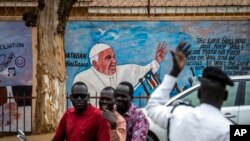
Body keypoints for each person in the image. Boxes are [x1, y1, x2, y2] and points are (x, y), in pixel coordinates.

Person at [146, 42, 234, 141]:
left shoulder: (178, 114)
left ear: (199, 93)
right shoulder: (227, 129)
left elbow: (151, 107)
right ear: (225, 96)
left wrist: (174, 72)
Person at [73, 42, 167, 104]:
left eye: (114, 57)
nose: (113, 61)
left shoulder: (124, 71)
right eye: (108, 58)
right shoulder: (83, 78)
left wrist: (156, 61)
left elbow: (143, 71)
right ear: (95, 63)